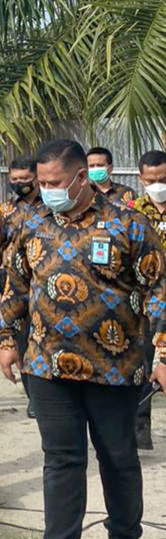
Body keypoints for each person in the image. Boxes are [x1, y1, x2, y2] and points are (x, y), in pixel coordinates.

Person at [0, 139, 166, 539]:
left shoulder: (128, 224)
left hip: (114, 368)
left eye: (54, 183)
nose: (46, 191)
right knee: (62, 462)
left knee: (117, 457)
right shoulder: (31, 224)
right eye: (41, 183)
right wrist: (8, 342)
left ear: (79, 178)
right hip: (47, 367)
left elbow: (159, 290)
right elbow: (14, 287)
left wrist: (164, 351)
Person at [0, 156, 42, 420]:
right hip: (13, 287)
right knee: (20, 343)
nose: (19, 184)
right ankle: (34, 397)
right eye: (15, 179)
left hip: (44, 286)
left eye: (24, 179)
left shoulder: (51, 207)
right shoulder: (5, 210)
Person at [126, 149, 166, 450]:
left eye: (163, 179)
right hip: (148, 301)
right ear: (141, 179)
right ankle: (140, 432)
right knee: (142, 363)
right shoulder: (132, 212)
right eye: (151, 179)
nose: (157, 184)